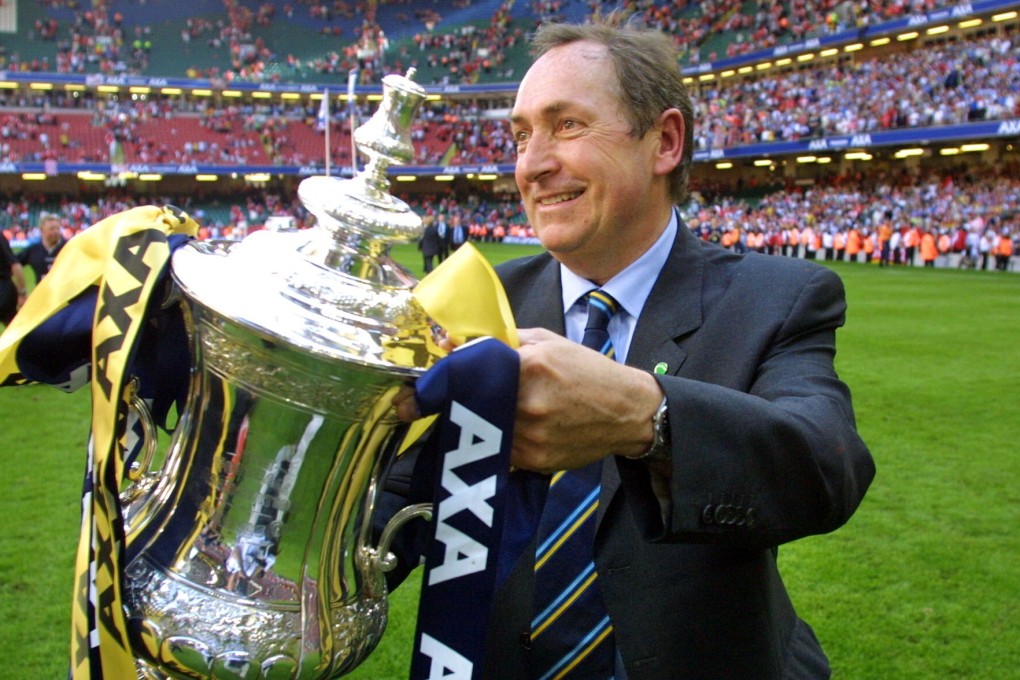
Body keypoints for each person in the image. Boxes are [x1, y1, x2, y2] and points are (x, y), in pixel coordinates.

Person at [388, 20, 874, 679]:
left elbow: (825, 468)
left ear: (664, 142)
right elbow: (393, 497)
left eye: (566, 125)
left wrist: (647, 418)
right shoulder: (475, 305)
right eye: (521, 135)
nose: (531, 164)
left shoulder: (777, 297)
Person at [17, 212, 66, 284]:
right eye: (51, 229)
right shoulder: (33, 250)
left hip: (65, 294)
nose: (56, 232)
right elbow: (13, 264)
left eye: (58, 228)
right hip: (42, 294)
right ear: (42, 230)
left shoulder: (68, 248)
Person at [0, 230, 28, 327]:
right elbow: (15, 264)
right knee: (14, 328)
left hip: (3, 287)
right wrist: (22, 292)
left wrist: (22, 293)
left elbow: (15, 265)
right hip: (5, 287)